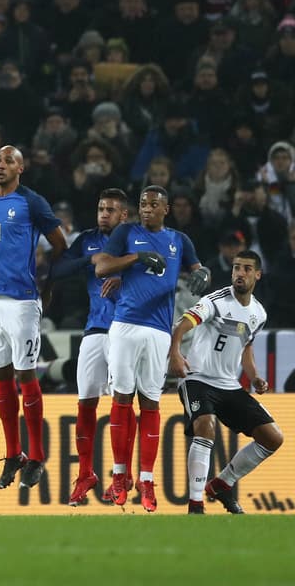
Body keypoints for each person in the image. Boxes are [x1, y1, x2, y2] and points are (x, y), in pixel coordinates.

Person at [94, 185, 210, 512]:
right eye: (143, 203)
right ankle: (119, 475)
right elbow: (101, 267)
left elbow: (198, 272)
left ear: (166, 209)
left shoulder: (179, 241)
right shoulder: (126, 232)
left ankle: (146, 479)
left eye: (153, 204)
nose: (146, 209)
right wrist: (135, 258)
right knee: (121, 397)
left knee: (150, 402)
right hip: (126, 325)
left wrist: (204, 274)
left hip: (159, 331)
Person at [0, 146, 67, 489]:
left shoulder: (32, 202)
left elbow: (59, 243)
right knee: (0, 374)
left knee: (25, 372)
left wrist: (48, 283)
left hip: (22, 299)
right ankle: (13, 453)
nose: (1, 165)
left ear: (21, 167)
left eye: (8, 161)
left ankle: (37, 456)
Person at [170, 250, 283, 514]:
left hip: (228, 384)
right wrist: (175, 352)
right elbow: (184, 324)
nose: (239, 274)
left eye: (246, 269)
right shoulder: (216, 300)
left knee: (272, 438)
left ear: (257, 274)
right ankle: (196, 504)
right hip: (196, 377)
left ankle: (222, 483)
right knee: (205, 427)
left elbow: (246, 347)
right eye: (236, 268)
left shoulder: (258, 313)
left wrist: (253, 375)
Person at [49, 188, 128, 506]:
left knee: (121, 404)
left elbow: (158, 277)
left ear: (124, 214)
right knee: (85, 403)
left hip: (126, 329)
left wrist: (126, 277)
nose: (104, 214)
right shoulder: (86, 240)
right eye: (100, 208)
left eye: (110, 209)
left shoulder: (136, 240)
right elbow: (57, 271)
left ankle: (121, 475)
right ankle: (85, 475)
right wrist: (89, 259)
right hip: (95, 329)